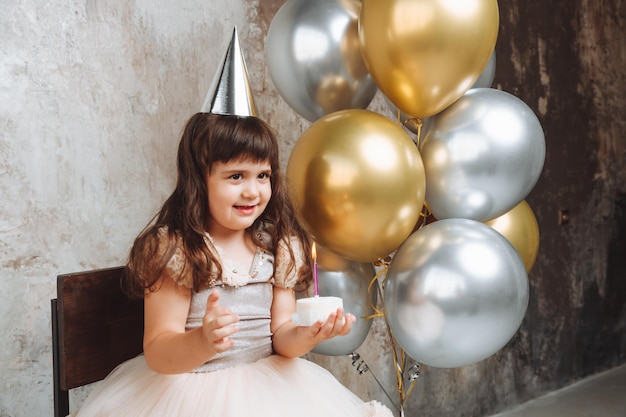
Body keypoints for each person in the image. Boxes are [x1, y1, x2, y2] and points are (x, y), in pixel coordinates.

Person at [73, 112, 393, 417]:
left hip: (270, 391)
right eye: (236, 176)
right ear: (200, 179)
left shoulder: (277, 248)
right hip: (190, 393)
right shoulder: (178, 251)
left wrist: (309, 334)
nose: (252, 191)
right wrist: (201, 341)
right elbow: (158, 350)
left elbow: (281, 336)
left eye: (263, 175)